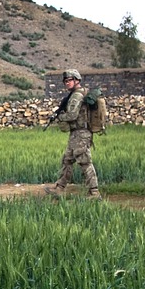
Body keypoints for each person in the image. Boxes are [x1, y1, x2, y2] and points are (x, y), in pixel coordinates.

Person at [44, 68, 102, 200]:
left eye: (69, 80)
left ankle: (94, 192)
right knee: (67, 160)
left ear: (77, 80)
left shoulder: (77, 95)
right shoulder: (76, 94)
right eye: (65, 81)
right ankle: (60, 188)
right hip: (76, 133)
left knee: (84, 161)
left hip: (81, 133)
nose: (67, 83)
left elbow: (72, 115)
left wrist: (59, 117)